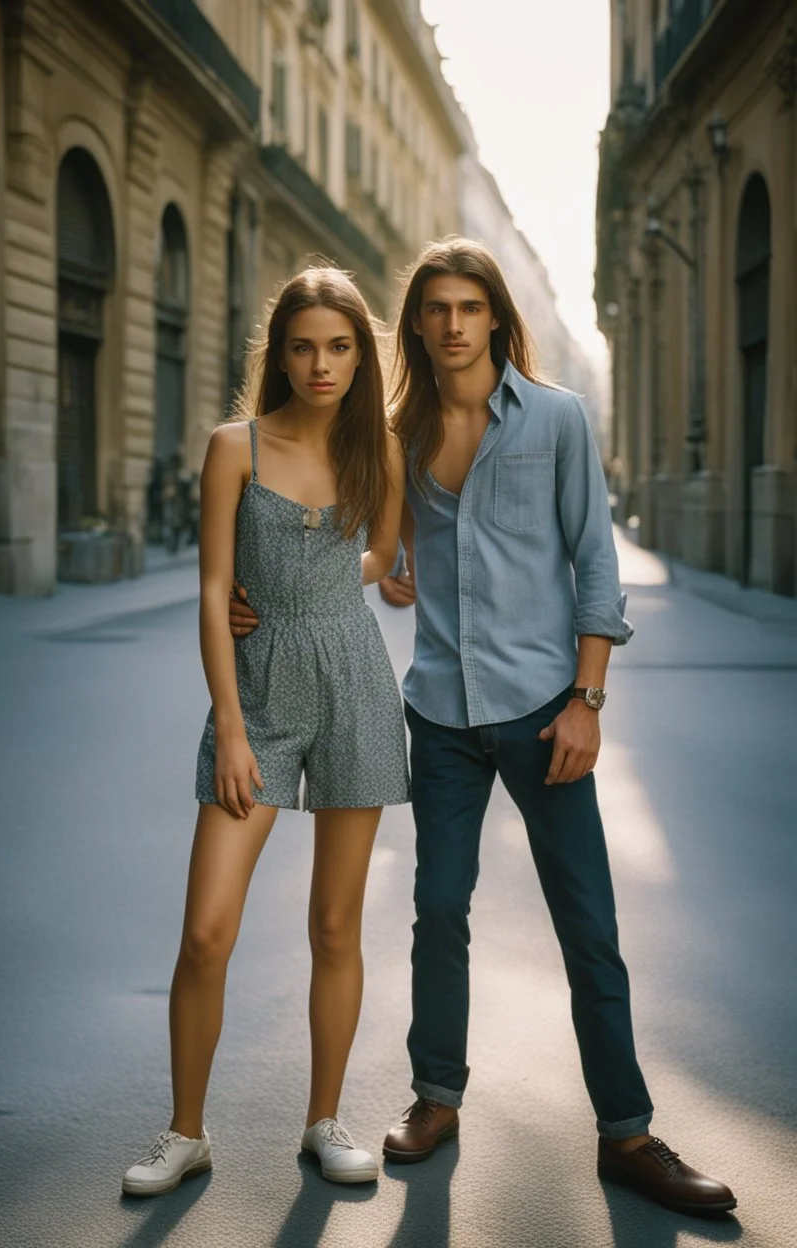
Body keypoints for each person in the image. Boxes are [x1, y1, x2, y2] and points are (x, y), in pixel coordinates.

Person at [229, 239, 736, 1217]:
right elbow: (332, 538)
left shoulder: (554, 420)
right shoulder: (394, 432)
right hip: (442, 714)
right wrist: (248, 598)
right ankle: (436, 1098)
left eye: (470, 306)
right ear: (416, 324)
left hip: (547, 711)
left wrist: (586, 700)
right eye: (436, 308)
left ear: (496, 318)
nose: (453, 323)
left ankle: (627, 1135)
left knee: (588, 924)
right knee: (440, 910)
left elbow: (594, 559)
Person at [122, 267, 410, 1197]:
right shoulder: (233, 446)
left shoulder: (382, 452)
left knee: (337, 924)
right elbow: (212, 591)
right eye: (302, 345)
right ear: (278, 352)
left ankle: (324, 1119)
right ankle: (186, 1131)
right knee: (206, 931)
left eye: (338, 347)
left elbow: (373, 555)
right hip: (259, 700)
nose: (320, 364)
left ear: (360, 355)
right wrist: (233, 728)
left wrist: (370, 577)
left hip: (357, 688)